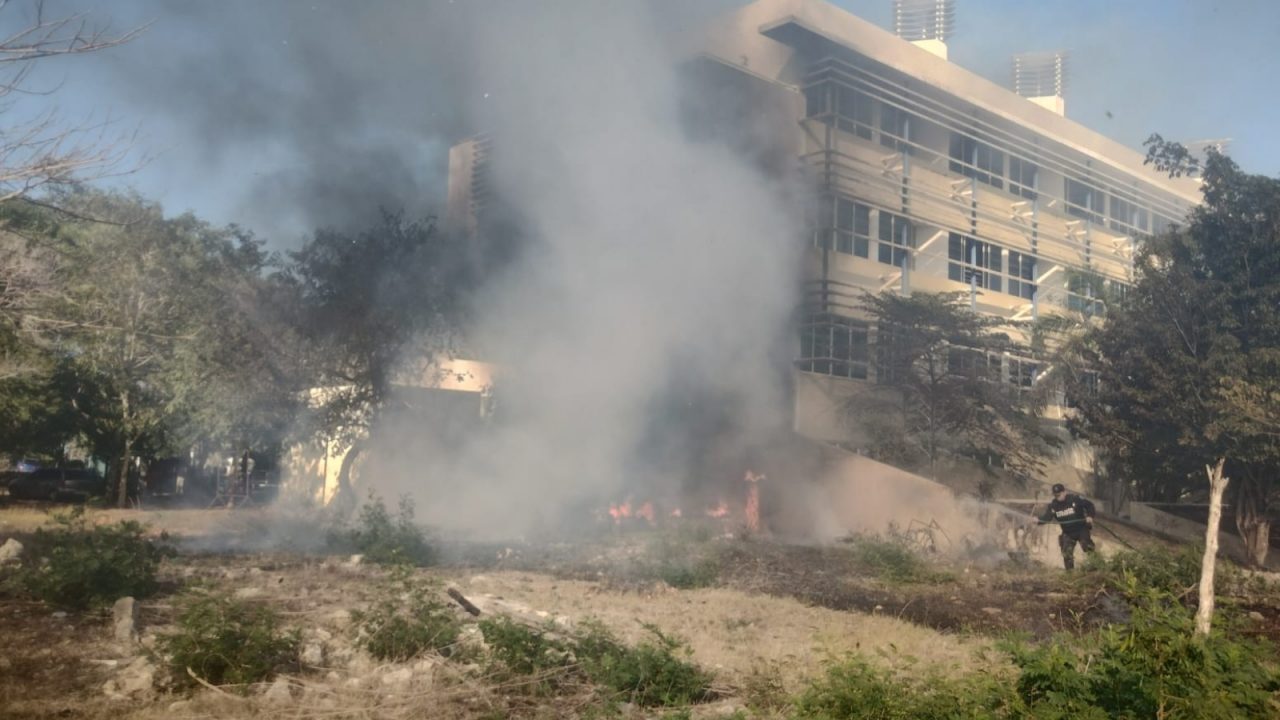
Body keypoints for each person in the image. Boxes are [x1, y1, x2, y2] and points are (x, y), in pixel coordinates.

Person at [1036, 483, 1096, 569]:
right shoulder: (1053, 505)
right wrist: (1038, 520)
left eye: (1059, 495)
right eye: (1055, 495)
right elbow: (1047, 517)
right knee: (1067, 553)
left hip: (1081, 529)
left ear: (1064, 492)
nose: (1057, 497)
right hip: (1068, 533)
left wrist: (1090, 516)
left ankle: (1095, 566)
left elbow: (1089, 505)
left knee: (1087, 547)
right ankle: (1070, 573)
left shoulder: (1075, 499)